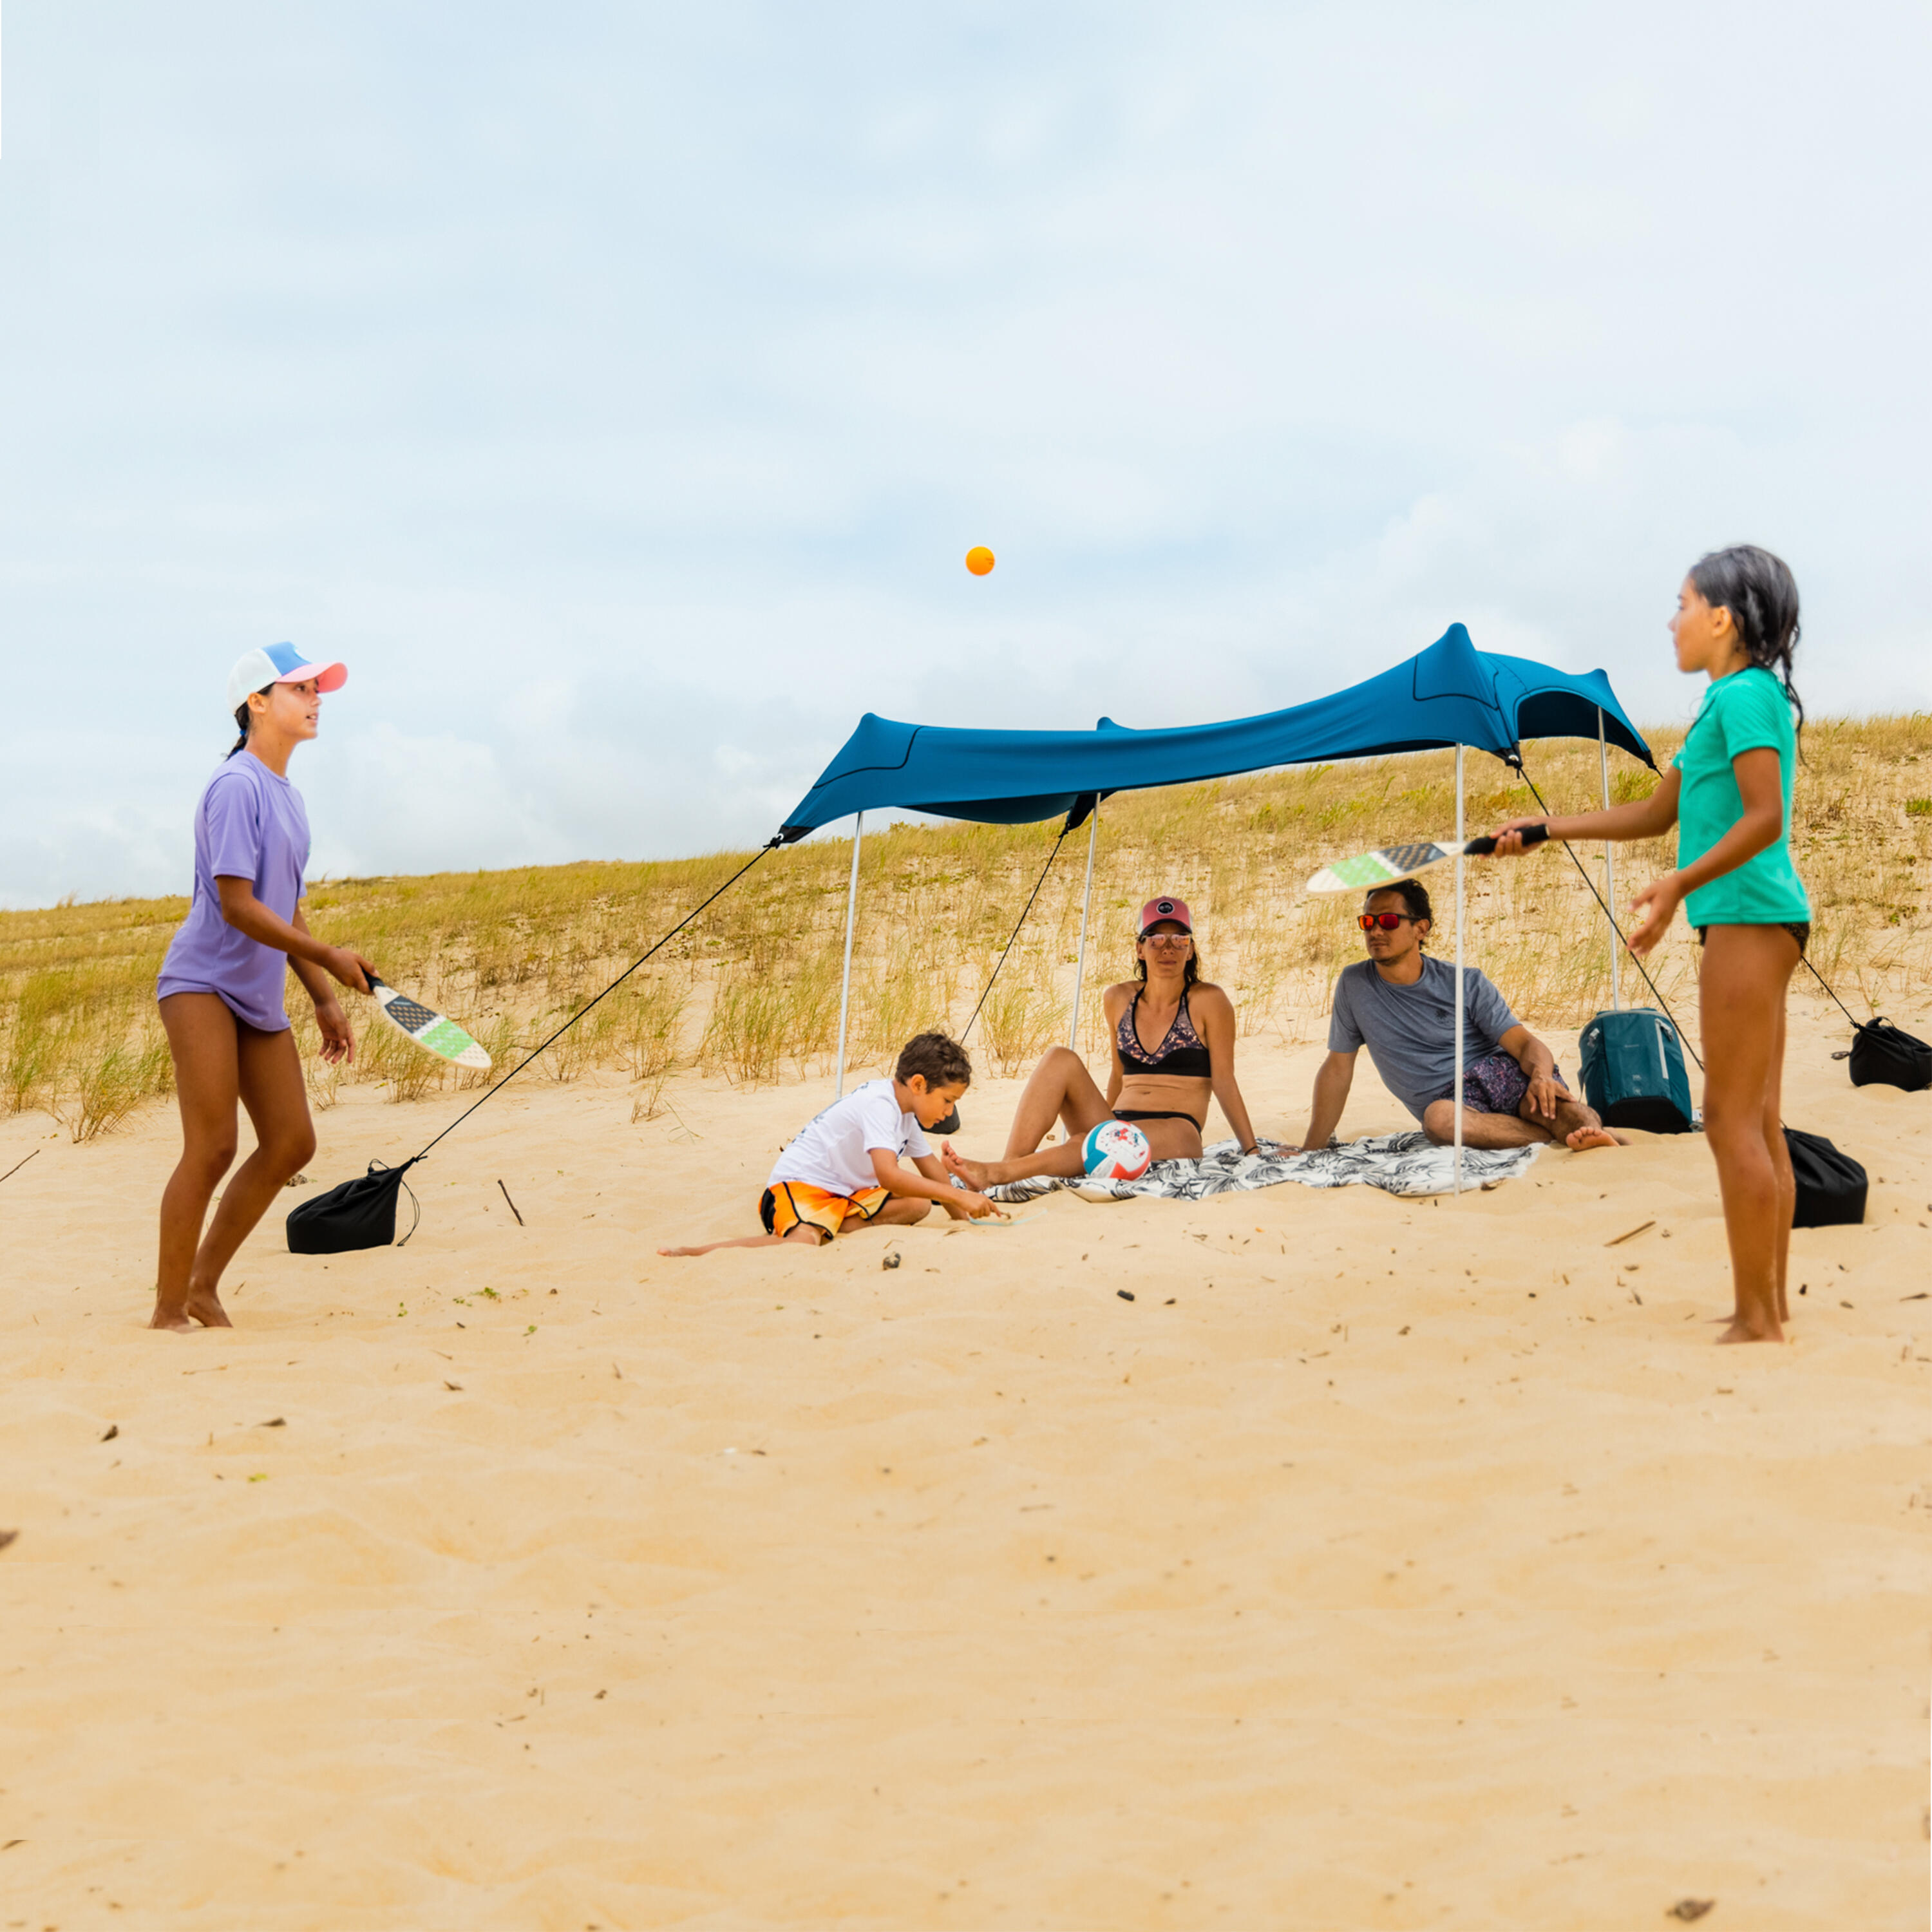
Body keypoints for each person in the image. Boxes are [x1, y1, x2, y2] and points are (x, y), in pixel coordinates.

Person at [1488, 545, 1812, 1345]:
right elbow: (1656, 813)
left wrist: (1675, 887)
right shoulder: (1728, 703)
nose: (1672, 620)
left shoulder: (1743, 696)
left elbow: (1765, 817)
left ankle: (1758, 1320)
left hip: (1746, 915)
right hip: (1751, 914)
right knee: (1760, 1118)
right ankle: (1770, 1307)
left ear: (1723, 619)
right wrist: (1546, 828)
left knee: (1730, 1117)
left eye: (1683, 603)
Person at [151, 644, 375, 1331]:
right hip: (201, 983)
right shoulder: (236, 786)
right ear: (257, 702)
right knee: (213, 1146)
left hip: (256, 993)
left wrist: (322, 993)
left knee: (291, 1143)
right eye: (301, 688)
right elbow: (238, 905)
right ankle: (168, 1312)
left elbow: (285, 905)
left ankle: (202, 1285)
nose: (316, 700)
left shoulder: (289, 798)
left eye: (319, 690)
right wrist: (329, 956)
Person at [941, 895, 1260, 1191]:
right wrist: (1103, 1125)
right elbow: (1118, 1076)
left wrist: (1252, 1150)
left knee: (1096, 1143)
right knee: (1059, 1059)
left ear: (1190, 950)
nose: (1168, 949)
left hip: (1177, 1130)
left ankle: (997, 1174)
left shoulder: (1208, 1000)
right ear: (1140, 948)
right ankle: (1009, 1167)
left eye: (1179, 940)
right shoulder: (1119, 998)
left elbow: (1224, 1081)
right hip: (1119, 1120)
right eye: (1156, 939)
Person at [1302, 877, 1620, 1154]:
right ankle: (1562, 1138)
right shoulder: (1354, 984)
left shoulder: (1464, 982)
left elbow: (1523, 1043)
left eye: (1387, 921)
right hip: (1450, 1105)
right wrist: (1310, 1149)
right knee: (1439, 1121)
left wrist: (1541, 1077)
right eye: (1368, 922)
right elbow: (1338, 1068)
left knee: (1557, 1108)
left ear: (1420, 929)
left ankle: (1582, 1131)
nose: (1375, 931)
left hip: (1498, 1073)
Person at [658, 1032, 1005, 1255]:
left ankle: (829, 1228)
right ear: (917, 1084)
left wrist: (967, 1217)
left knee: (918, 1205)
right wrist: (960, 1195)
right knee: (801, 1244)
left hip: (846, 1195)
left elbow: (936, 1180)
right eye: (948, 1099)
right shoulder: (880, 1104)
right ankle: (699, 1252)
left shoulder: (906, 1115)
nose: (950, 1111)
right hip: (798, 1188)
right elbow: (888, 1176)